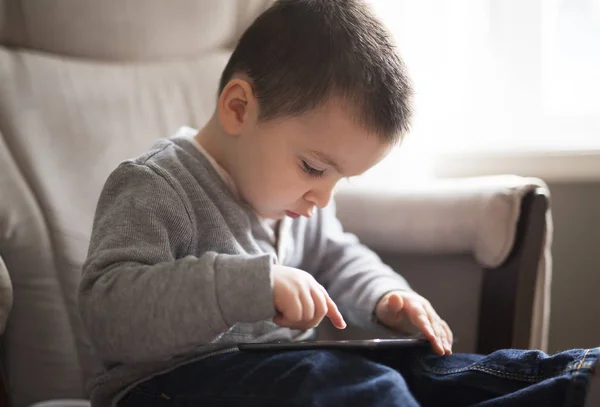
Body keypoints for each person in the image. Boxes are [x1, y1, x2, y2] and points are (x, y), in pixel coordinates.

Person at [78, 0, 598, 406]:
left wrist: (384, 296)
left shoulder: (299, 202)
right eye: (313, 167)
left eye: (340, 179)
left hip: (285, 376)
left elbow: (337, 256)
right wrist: (247, 286)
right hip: (165, 387)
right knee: (343, 385)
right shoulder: (155, 184)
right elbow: (108, 313)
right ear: (238, 108)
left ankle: (573, 380)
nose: (323, 196)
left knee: (436, 374)